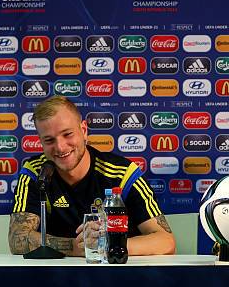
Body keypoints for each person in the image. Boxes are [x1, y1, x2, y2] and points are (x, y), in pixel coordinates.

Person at [9, 96, 175, 256]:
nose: (60, 147)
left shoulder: (122, 173)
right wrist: (74, 247)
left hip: (118, 274)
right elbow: (17, 239)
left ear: (84, 130)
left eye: (67, 134)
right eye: (49, 140)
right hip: (59, 277)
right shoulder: (36, 172)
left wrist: (108, 244)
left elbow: (166, 241)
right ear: (41, 142)